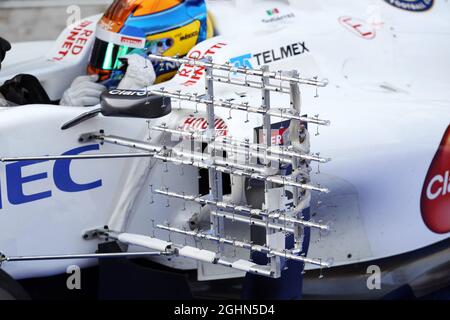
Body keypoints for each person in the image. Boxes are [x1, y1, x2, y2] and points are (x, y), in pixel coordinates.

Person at [61, 0, 213, 107]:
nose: (101, 68)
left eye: (120, 55)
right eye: (104, 50)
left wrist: (125, 101)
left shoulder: (207, 98)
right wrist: (65, 111)